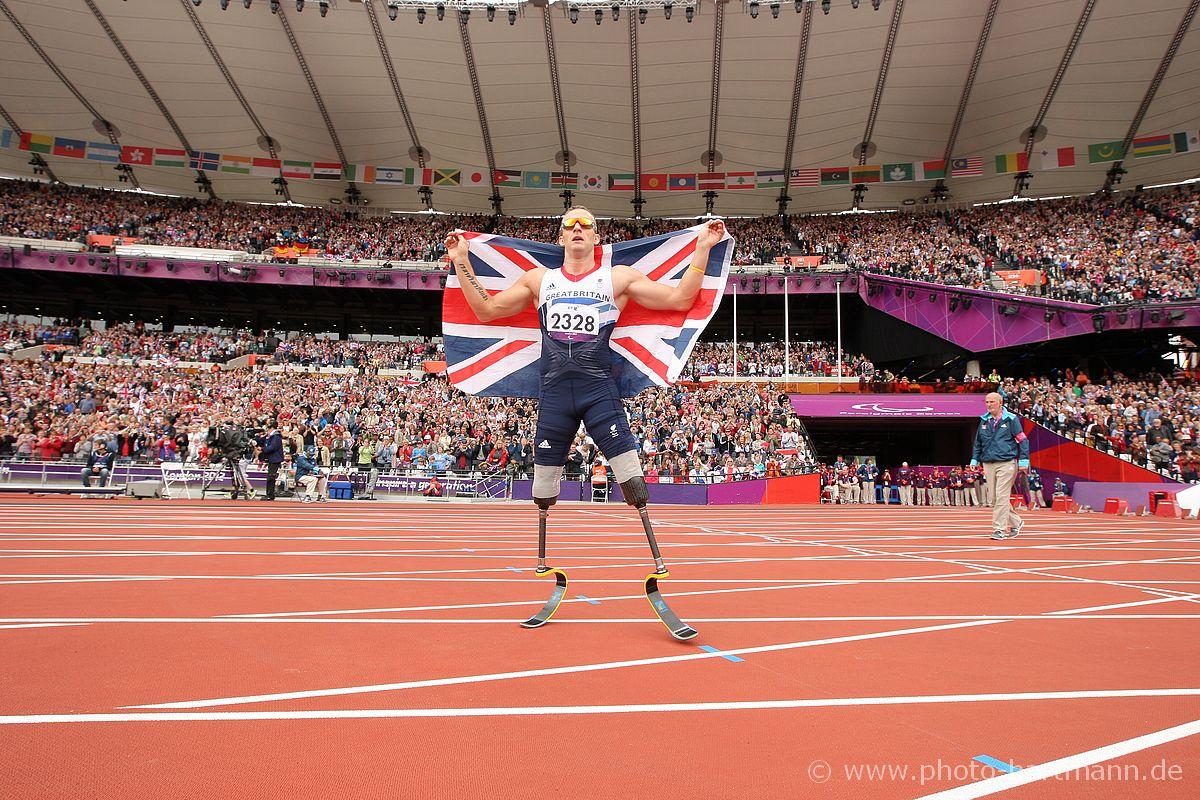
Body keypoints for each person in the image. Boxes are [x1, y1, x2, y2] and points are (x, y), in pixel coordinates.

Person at [444, 209, 725, 578]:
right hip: (555, 395)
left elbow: (679, 300)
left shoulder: (617, 277)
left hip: (598, 391)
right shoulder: (538, 279)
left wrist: (703, 247)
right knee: (543, 484)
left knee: (631, 475)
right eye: (570, 225)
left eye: (585, 225)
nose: (577, 229)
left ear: (596, 238)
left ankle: (657, 563)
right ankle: (543, 563)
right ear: (560, 237)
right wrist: (461, 259)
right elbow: (486, 310)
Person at [971, 392, 1030, 540]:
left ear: (1000, 402)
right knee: (993, 498)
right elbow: (978, 442)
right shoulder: (984, 421)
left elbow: (1023, 440)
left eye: (992, 402)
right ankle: (1017, 522)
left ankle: (999, 529)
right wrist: (974, 460)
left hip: (1006, 463)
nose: (989, 404)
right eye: (987, 402)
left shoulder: (1011, 419)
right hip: (988, 463)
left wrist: (1023, 462)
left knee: (1002, 496)